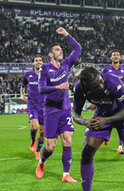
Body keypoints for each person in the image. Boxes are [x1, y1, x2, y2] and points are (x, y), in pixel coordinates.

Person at [36, 27, 82, 182]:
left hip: (64, 109)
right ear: (50, 54)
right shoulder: (44, 69)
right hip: (50, 111)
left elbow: (78, 48)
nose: (60, 51)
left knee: (67, 139)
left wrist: (66, 34)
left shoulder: (66, 64)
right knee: (50, 146)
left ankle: (65, 174)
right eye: (57, 49)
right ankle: (41, 162)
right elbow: (41, 89)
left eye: (61, 49)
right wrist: (58, 87)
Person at [101, 49, 124, 155]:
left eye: (118, 55)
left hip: (120, 99)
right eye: (114, 55)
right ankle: (106, 136)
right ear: (111, 58)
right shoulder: (106, 70)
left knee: (121, 122)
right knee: (108, 120)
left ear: (120, 57)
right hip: (109, 100)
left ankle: (120, 147)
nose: (116, 56)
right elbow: (101, 82)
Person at [20, 55, 45, 159]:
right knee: (35, 127)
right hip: (32, 105)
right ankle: (33, 141)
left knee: (42, 132)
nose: (38, 62)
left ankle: (38, 151)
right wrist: (22, 94)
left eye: (40, 60)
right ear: (33, 63)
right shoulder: (28, 74)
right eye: (36, 60)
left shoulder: (46, 75)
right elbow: (22, 86)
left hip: (44, 106)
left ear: (42, 62)